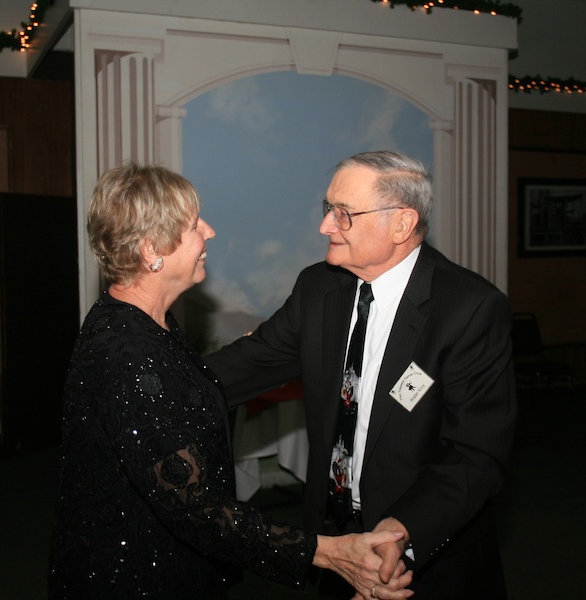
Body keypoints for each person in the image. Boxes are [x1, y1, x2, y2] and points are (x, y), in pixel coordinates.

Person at [48, 162, 413, 599]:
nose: (209, 231)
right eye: (193, 224)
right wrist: (326, 553)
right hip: (137, 577)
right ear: (151, 250)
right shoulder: (126, 352)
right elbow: (197, 510)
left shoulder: (150, 325)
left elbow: (177, 398)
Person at [205, 151, 517, 599]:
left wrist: (401, 533)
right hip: (339, 544)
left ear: (401, 225)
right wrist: (146, 376)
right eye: (328, 209)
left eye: (344, 214)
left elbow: (477, 454)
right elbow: (248, 363)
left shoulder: (468, 309)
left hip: (427, 558)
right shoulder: (319, 287)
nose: (325, 226)